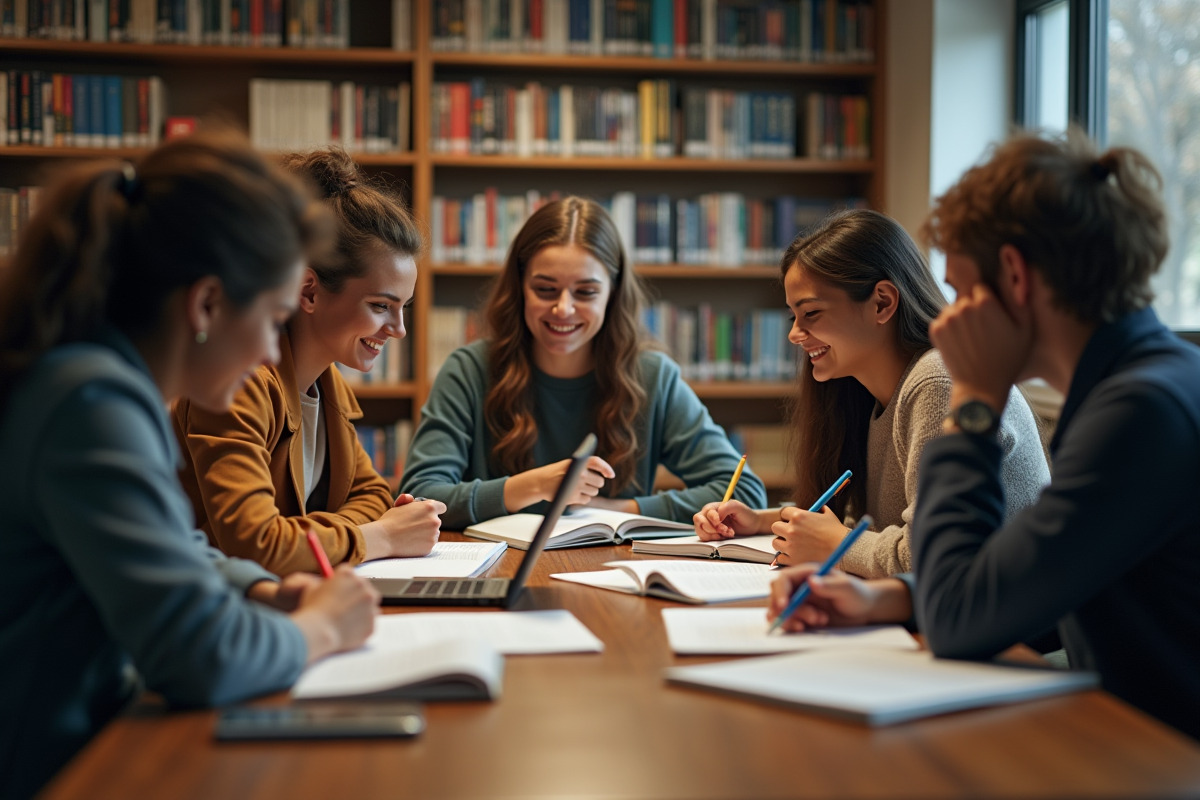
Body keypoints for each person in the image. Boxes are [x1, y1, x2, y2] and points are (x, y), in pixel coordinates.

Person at [771, 129, 1200, 741]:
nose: (949, 319)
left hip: (1156, 753)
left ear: (1016, 279)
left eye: (964, 292)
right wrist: (883, 601)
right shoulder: (1131, 386)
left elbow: (960, 620)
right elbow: (1031, 583)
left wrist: (973, 402)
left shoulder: (1140, 411)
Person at [0, 131, 380, 798]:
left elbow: (176, 547)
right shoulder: (92, 402)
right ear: (206, 305)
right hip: (56, 767)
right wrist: (319, 628)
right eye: (273, 319)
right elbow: (199, 655)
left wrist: (259, 590)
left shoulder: (98, 381)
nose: (271, 354)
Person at [693, 209, 1049, 577]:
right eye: (792, 317)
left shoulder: (937, 382)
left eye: (811, 313)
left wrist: (837, 544)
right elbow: (866, 522)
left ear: (882, 303)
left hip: (1012, 631)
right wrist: (764, 522)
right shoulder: (868, 392)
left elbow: (928, 557)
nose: (794, 334)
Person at [400, 196, 766, 528]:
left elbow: (744, 494)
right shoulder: (469, 371)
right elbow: (419, 496)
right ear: (520, 287)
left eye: (586, 292)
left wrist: (619, 510)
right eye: (545, 289)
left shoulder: (652, 376)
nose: (564, 308)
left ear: (612, 293)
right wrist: (532, 486)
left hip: (614, 574)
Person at [172, 147, 444, 576]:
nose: (399, 329)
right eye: (380, 306)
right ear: (309, 291)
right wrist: (382, 537)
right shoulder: (238, 385)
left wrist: (304, 537)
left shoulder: (326, 385)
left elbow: (373, 493)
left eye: (403, 308)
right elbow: (256, 545)